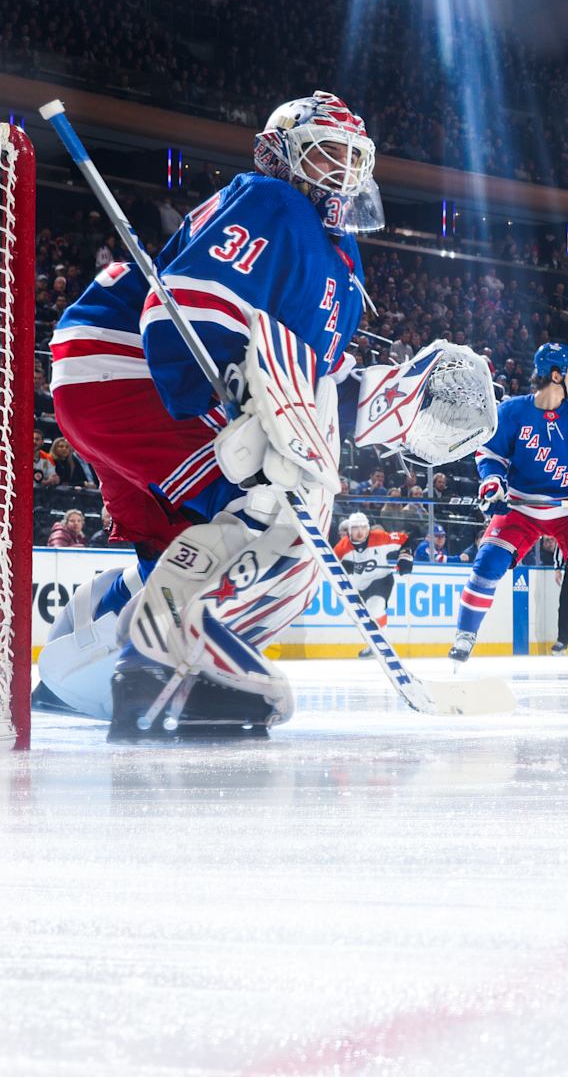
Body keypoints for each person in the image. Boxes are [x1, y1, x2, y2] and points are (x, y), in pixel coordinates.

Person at [37, 90, 419, 738]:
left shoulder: (340, 264)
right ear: (282, 153)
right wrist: (235, 397)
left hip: (114, 380)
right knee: (285, 511)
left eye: (355, 159)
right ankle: (160, 667)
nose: (346, 173)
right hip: (135, 368)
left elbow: (309, 383)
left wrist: (406, 408)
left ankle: (72, 666)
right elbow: (188, 306)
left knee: (182, 543)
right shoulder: (277, 202)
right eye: (328, 154)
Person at [449, 343, 568, 672]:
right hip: (520, 508)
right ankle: (464, 635)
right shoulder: (511, 411)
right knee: (487, 564)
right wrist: (493, 481)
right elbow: (490, 455)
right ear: (556, 375)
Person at [333, 511, 412, 659]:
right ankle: (374, 644)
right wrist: (344, 567)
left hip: (382, 580)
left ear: (368, 528)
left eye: (363, 527)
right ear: (349, 530)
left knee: (375, 607)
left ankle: (382, 642)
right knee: (364, 617)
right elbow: (329, 567)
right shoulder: (342, 547)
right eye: (356, 528)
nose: (360, 532)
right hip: (359, 587)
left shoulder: (379, 537)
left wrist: (405, 558)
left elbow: (405, 539)